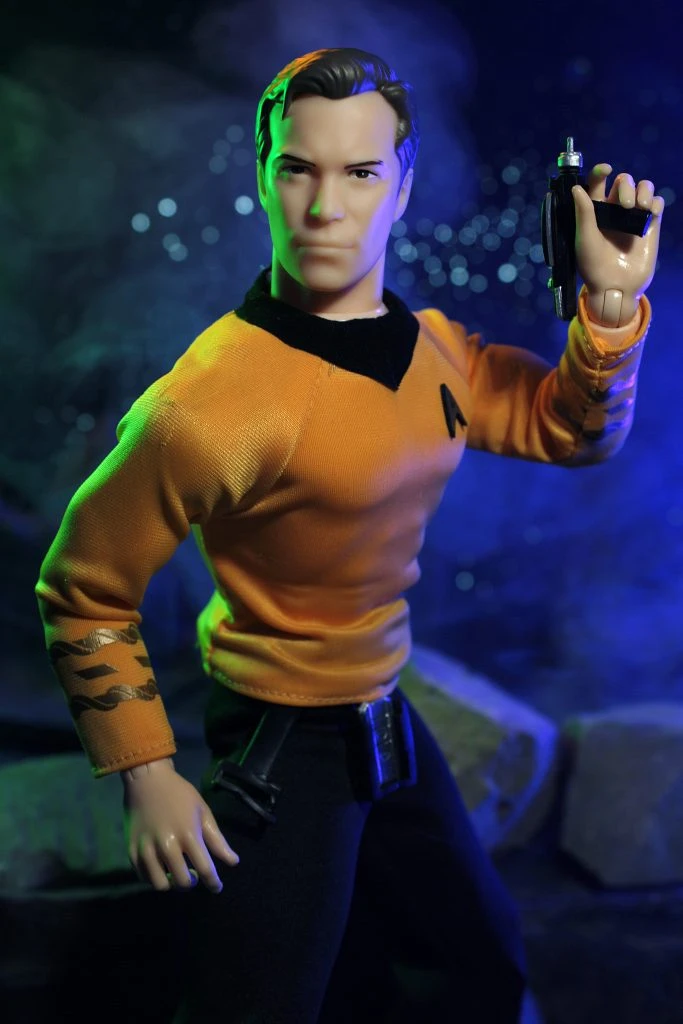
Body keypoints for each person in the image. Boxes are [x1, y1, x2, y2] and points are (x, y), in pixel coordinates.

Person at [36, 47, 663, 1023]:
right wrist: (145, 771)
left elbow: (569, 431)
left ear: (402, 187)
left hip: (383, 709)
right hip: (278, 740)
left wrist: (610, 304)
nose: (325, 207)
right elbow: (82, 588)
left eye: (360, 172)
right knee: (259, 1000)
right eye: (298, 168)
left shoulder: (437, 352)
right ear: (262, 175)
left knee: (475, 961)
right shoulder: (207, 406)